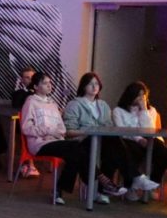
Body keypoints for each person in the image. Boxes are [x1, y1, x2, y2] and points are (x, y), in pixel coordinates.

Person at [63, 72, 158, 202]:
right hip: (83, 141)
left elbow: (109, 127)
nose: (94, 86)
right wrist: (90, 132)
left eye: (96, 84)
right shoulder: (74, 104)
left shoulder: (103, 105)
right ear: (83, 86)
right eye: (90, 84)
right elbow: (69, 131)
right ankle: (134, 178)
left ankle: (104, 189)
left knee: (114, 146)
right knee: (114, 144)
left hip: (102, 142)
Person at [20, 72, 89, 205]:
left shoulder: (53, 103)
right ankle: (96, 180)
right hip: (39, 144)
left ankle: (59, 189)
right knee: (76, 148)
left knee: (75, 152)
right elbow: (26, 128)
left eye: (50, 82)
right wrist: (48, 131)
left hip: (56, 140)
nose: (49, 85)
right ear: (36, 86)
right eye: (45, 83)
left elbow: (62, 128)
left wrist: (57, 133)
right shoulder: (30, 102)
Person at [112, 82, 167, 201]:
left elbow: (150, 130)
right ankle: (130, 186)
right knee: (132, 152)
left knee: (165, 155)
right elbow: (122, 131)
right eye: (138, 95)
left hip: (150, 139)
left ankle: (151, 185)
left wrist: (143, 110)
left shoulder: (151, 110)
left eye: (143, 95)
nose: (141, 98)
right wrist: (138, 139)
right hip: (130, 139)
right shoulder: (118, 111)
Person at [11, 67, 40, 178]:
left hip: (40, 124)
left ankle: (29, 165)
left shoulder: (42, 94)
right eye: (27, 77)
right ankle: (30, 165)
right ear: (22, 80)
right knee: (27, 132)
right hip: (24, 125)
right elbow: (17, 108)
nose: (30, 80)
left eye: (32, 77)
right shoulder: (18, 94)